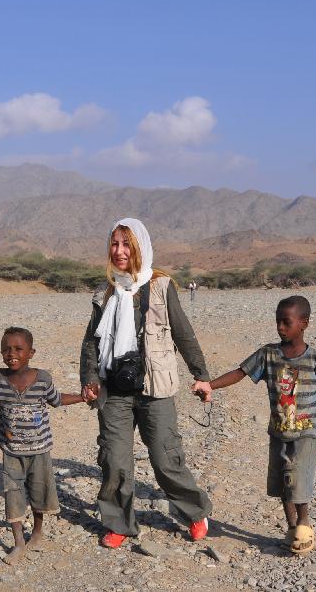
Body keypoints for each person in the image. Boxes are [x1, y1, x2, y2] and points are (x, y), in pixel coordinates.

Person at [80, 218, 212, 548]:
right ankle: (118, 523)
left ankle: (195, 512)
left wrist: (201, 375)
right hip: (114, 390)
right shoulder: (105, 291)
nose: (119, 251)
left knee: (166, 457)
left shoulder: (161, 286)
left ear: (140, 247)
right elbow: (91, 341)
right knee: (114, 459)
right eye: (114, 244)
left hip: (156, 388)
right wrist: (90, 379)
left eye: (127, 244)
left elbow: (183, 333)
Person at [191, 295, 316, 555]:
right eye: (277, 321)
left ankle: (304, 526)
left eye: (286, 322)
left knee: (298, 480)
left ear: (304, 323)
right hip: (278, 432)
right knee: (283, 482)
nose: (280, 327)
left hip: (306, 433)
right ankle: (292, 529)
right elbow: (240, 373)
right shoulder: (268, 354)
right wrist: (209, 385)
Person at [0, 326, 85, 561]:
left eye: (18, 349)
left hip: (39, 450)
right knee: (13, 495)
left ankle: (37, 533)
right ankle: (19, 542)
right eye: (6, 349)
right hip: (11, 452)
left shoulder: (42, 379)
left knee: (39, 492)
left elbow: (57, 400)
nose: (11, 354)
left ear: (31, 353)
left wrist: (82, 397)